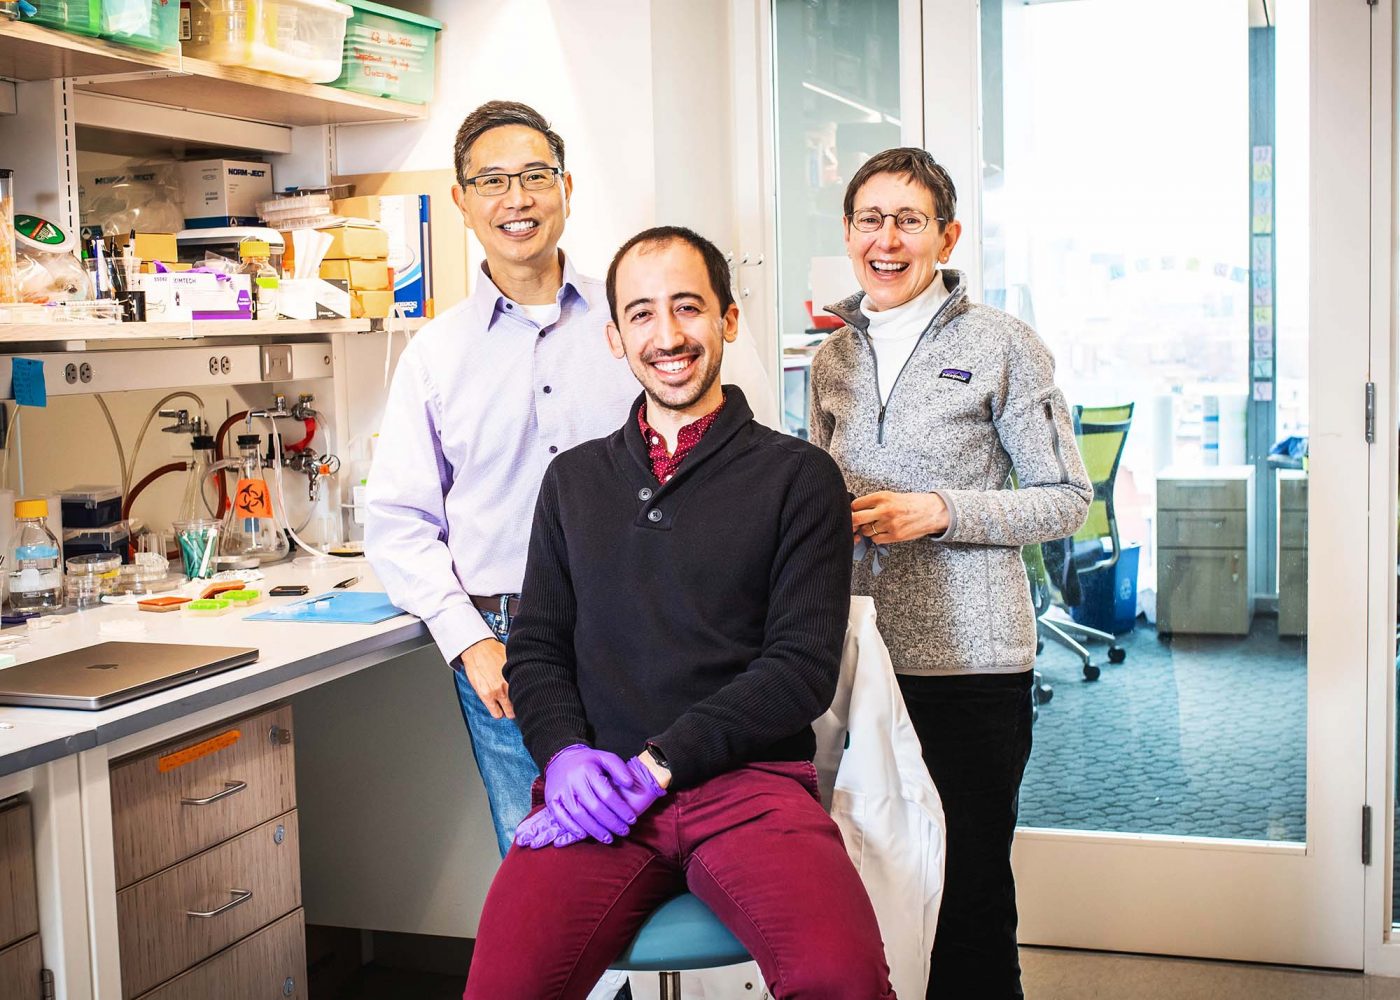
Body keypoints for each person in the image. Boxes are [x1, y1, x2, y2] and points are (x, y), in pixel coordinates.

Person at [462, 226, 897, 1000]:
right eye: (641, 314)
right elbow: (536, 650)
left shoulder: (799, 478)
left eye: (688, 308)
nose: (667, 336)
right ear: (614, 337)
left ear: (728, 320)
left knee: (844, 981)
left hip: (750, 790)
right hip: (598, 795)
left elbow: (797, 671)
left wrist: (659, 765)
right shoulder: (573, 482)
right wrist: (563, 756)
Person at [809, 147, 1092, 1000]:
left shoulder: (1004, 345)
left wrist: (942, 510)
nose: (886, 239)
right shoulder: (834, 359)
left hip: (971, 662)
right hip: (856, 660)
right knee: (867, 872)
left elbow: (1067, 499)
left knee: (967, 885)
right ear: (849, 233)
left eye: (909, 220)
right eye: (870, 219)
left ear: (947, 235)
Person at [366, 100, 641, 859]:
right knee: (544, 867)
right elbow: (397, 520)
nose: (515, 199)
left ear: (566, 187)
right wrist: (467, 641)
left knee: (646, 847)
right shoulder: (436, 354)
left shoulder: (631, 325)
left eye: (534, 176)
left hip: (638, 621)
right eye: (491, 180)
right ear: (460, 201)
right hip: (504, 639)